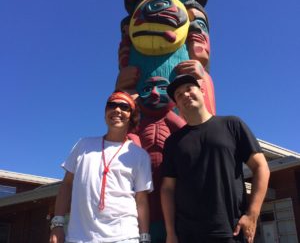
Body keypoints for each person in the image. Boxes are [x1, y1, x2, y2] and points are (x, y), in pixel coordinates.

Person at [160, 74, 270, 243]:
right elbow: (168, 188)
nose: (185, 95)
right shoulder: (173, 142)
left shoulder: (232, 125)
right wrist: (170, 233)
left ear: (202, 91)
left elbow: (261, 167)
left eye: (189, 89)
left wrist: (252, 214)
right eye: (179, 95)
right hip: (188, 235)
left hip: (231, 230)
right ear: (176, 105)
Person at [49, 91, 153, 243]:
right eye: (112, 105)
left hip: (124, 237)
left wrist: (145, 238)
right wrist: (57, 224)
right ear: (105, 113)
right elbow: (66, 185)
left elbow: (141, 201)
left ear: (132, 115)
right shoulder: (83, 145)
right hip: (79, 237)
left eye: (124, 107)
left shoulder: (140, 155)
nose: (117, 110)